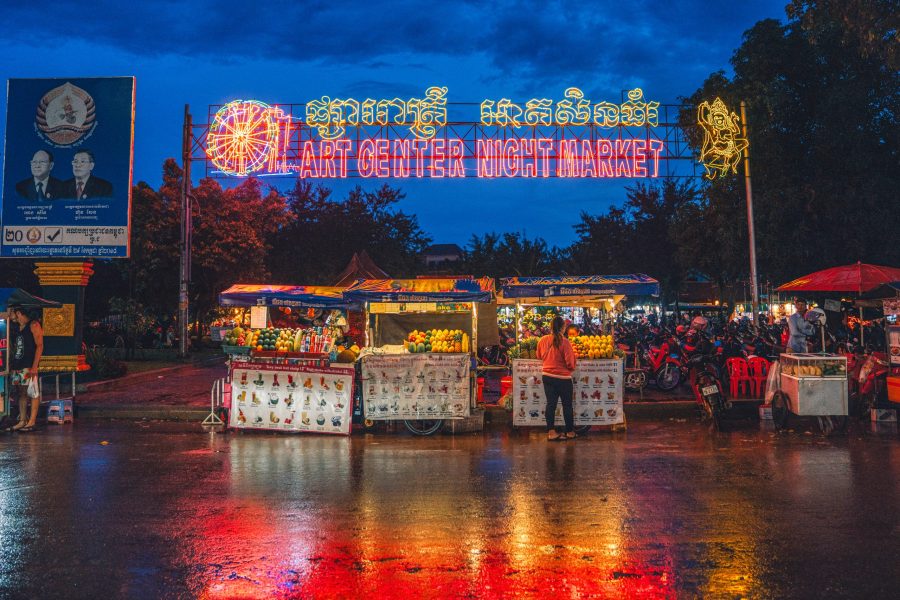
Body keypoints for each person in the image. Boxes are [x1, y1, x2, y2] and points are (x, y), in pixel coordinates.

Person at [537, 316, 577, 441]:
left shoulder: (542, 340)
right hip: (563, 378)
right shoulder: (565, 342)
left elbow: (538, 356)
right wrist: (571, 368)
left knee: (551, 405)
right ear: (563, 328)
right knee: (567, 405)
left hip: (547, 376)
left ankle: (551, 432)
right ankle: (570, 432)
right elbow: (570, 362)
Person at [7, 306, 44, 432]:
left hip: (29, 365)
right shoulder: (17, 328)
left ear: (18, 313)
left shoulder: (33, 325)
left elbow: (39, 346)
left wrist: (34, 366)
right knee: (21, 392)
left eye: (11, 312)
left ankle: (32, 421)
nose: (9, 314)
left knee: (32, 392)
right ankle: (22, 420)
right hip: (18, 365)